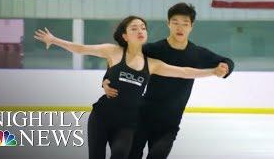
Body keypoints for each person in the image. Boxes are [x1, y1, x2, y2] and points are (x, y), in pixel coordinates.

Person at [34, 15, 227, 159]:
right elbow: (81, 49)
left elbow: (184, 71)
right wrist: (54, 40)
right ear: (125, 35)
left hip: (127, 124)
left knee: (120, 155)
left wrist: (212, 71)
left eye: (143, 27)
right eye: (134, 28)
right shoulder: (113, 51)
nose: (140, 31)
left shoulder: (152, 63)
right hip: (101, 117)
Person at [102, 3, 235, 159]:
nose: (180, 28)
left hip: (170, 124)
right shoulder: (153, 49)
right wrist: (107, 79)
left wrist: (225, 67)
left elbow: (226, 61)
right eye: (175, 22)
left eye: (185, 24)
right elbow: (121, 57)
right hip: (143, 116)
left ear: (191, 26)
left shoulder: (197, 53)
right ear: (168, 24)